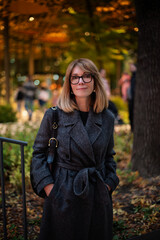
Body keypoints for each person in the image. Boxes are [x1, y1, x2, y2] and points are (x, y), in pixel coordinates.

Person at [30, 58, 119, 240]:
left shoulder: (107, 117)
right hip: (63, 194)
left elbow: (109, 156)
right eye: (75, 77)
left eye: (86, 76)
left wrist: (108, 184)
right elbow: (38, 154)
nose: (81, 82)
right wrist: (50, 189)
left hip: (97, 195)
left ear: (95, 81)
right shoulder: (54, 115)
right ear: (69, 84)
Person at [128, 63, 137, 132]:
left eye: (131, 66)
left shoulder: (136, 76)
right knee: (130, 115)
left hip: (134, 100)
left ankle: (133, 129)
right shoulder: (132, 77)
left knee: (133, 115)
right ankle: (132, 129)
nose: (130, 68)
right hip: (131, 99)